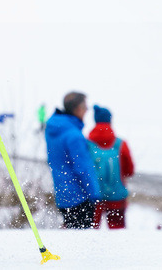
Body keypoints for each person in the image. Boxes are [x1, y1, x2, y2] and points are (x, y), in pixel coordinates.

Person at [45, 91, 100, 229]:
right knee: (82, 243)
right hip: (80, 197)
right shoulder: (74, 135)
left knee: (71, 237)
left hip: (63, 195)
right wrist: (94, 194)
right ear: (78, 109)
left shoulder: (53, 130)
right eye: (85, 107)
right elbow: (83, 168)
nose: (87, 110)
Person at [87, 104, 134, 229]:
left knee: (90, 232)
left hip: (94, 195)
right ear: (110, 120)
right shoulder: (120, 144)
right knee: (117, 232)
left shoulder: (87, 144)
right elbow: (130, 171)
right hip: (117, 195)